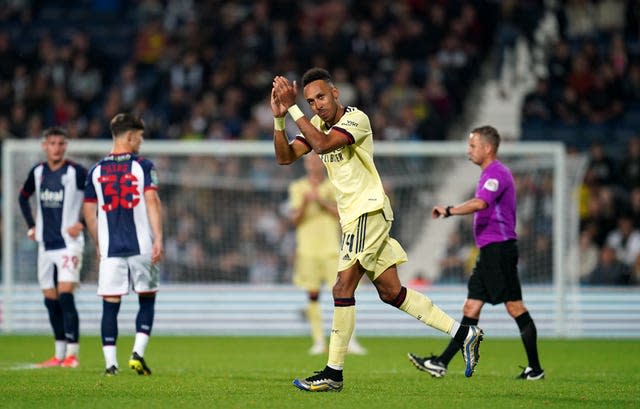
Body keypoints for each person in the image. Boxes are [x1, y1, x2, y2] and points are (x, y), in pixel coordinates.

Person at [271, 67, 483, 392]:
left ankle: (333, 372)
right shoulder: (314, 124)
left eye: (321, 98)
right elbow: (285, 157)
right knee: (391, 293)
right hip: (356, 217)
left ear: (336, 93)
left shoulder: (356, 120)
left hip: (368, 211)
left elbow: (325, 145)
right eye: (311, 101)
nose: (317, 105)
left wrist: (295, 107)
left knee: (342, 287)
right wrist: (279, 119)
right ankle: (464, 334)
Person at [408, 125, 544, 381]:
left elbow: (481, 203)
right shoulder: (490, 174)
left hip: (499, 249)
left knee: (515, 307)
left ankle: (535, 369)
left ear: (488, 148)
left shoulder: (496, 173)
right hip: (492, 250)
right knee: (471, 306)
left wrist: (449, 210)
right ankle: (441, 362)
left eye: (473, 145)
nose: (469, 150)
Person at [83, 113, 164, 376]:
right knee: (147, 299)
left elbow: (89, 212)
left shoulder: (95, 171)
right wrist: (159, 237)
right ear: (129, 136)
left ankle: (110, 365)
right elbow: (152, 202)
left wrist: (97, 243)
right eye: (139, 138)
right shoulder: (143, 166)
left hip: (110, 248)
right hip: (141, 245)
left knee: (110, 304)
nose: (140, 143)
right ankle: (137, 353)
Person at [18, 126, 86, 368]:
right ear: (44, 146)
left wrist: (83, 222)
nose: (56, 147)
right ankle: (58, 354)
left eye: (61, 143)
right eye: (52, 143)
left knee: (65, 294)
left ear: (66, 146)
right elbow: (22, 196)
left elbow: (95, 197)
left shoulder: (76, 172)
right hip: (45, 245)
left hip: (69, 244)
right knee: (50, 299)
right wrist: (31, 225)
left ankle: (72, 354)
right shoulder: (37, 172)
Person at [288, 152, 366, 356]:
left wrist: (321, 201)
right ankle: (318, 341)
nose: (313, 163)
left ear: (322, 163)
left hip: (332, 249)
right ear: (305, 164)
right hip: (307, 251)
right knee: (312, 295)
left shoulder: (334, 185)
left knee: (344, 293)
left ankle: (351, 341)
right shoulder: (298, 187)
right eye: (309, 160)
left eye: (316, 160)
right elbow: (295, 220)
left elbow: (343, 214)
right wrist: (306, 202)